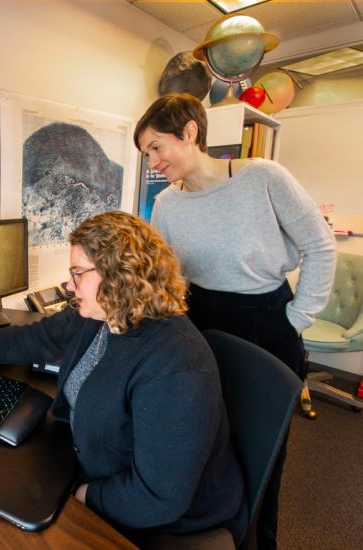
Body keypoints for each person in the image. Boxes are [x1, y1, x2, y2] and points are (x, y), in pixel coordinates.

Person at [0, 211, 247, 546]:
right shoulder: (100, 313)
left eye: (77, 274)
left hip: (167, 522)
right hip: (98, 469)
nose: (69, 285)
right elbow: (31, 340)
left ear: (118, 276)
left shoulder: (176, 368)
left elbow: (157, 498)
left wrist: (81, 493)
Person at [133, 93, 336, 550]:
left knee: (262, 451)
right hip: (200, 321)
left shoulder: (263, 177)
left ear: (189, 132)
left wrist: (297, 319)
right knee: (205, 441)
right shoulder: (166, 204)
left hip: (265, 321)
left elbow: (320, 246)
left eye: (156, 147)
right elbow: (169, 277)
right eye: (146, 153)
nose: (153, 161)